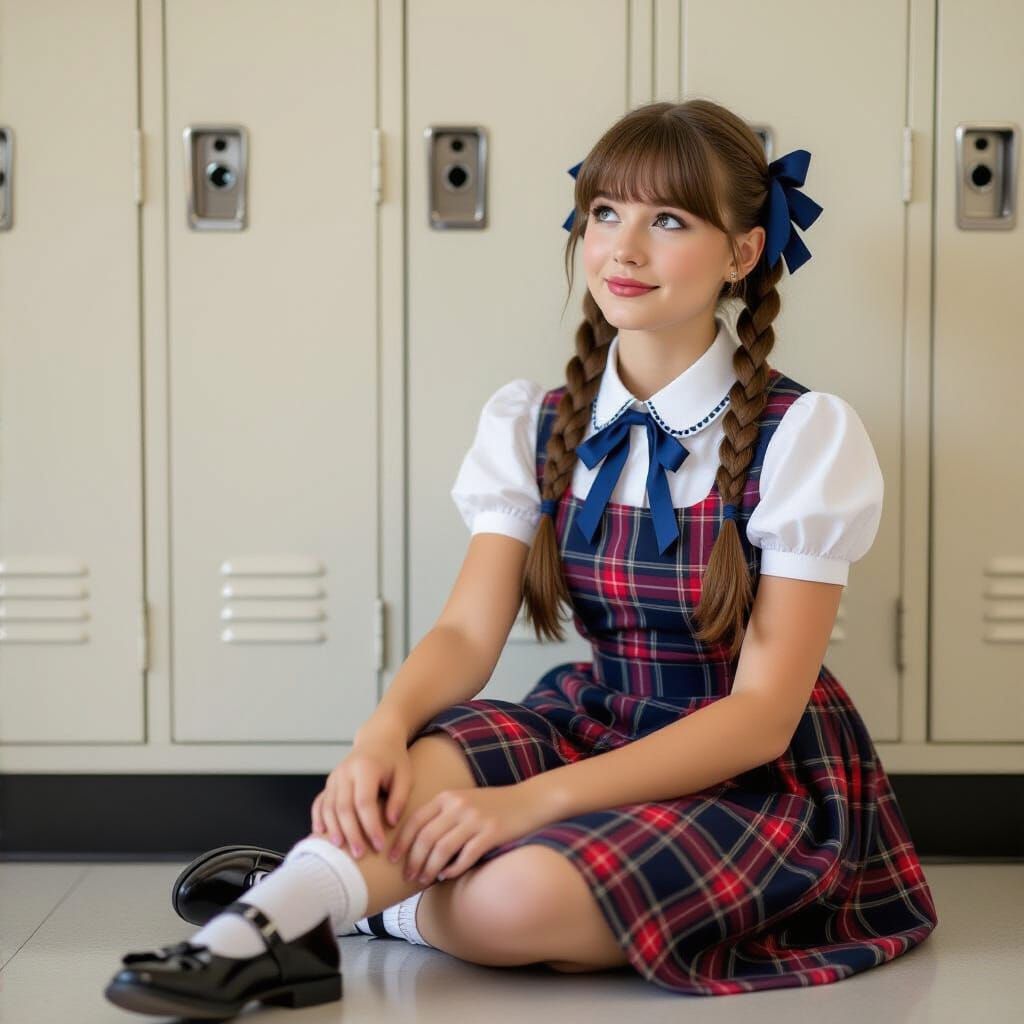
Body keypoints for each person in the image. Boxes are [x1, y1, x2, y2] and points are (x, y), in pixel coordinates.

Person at [104, 98, 938, 1017]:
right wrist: (379, 733)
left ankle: (344, 902)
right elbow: (469, 629)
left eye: (668, 220)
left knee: (511, 897)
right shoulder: (536, 423)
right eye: (605, 213)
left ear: (742, 253)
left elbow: (759, 718)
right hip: (598, 716)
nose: (622, 250)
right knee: (417, 772)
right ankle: (256, 940)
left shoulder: (805, 435)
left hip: (747, 774)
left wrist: (530, 806)